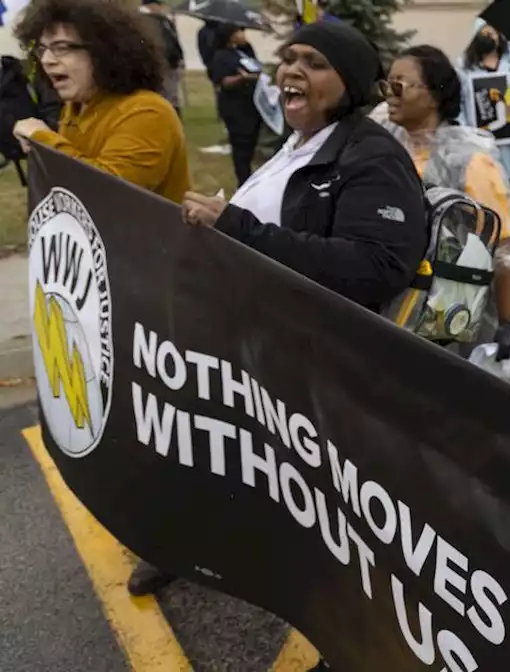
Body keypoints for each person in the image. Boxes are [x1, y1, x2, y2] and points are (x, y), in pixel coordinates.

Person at [160, 23, 422, 598]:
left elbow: (376, 265)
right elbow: (281, 222)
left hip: (324, 368)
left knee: (327, 510)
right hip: (259, 346)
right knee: (228, 462)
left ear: (349, 82)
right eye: (290, 58)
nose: (292, 71)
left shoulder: (372, 156)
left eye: (316, 62)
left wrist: (237, 228)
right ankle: (188, 546)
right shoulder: (301, 139)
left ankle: (344, 625)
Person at [368, 44, 510, 359]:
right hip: (390, 303)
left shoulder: (469, 161)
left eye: (399, 85)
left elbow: (503, 246)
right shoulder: (384, 150)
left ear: (434, 94)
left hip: (443, 318)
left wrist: (508, 322)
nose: (389, 95)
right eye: (387, 85)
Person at [13, 0, 190, 204]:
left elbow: (107, 192)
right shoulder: (76, 107)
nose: (47, 60)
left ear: (104, 52)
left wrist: (43, 139)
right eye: (42, 49)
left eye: (62, 48)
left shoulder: (147, 112)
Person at [458, 19, 510, 194]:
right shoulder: (463, 67)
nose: (489, 37)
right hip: (479, 143)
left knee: (509, 191)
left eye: (493, 32)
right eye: (484, 33)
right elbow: (457, 103)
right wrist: (466, 131)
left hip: (509, 140)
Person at [208, 23, 264, 186]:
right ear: (229, 35)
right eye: (239, 31)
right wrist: (242, 79)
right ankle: (244, 182)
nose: (243, 34)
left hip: (252, 106)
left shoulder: (244, 50)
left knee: (252, 144)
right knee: (241, 150)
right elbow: (223, 82)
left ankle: (253, 179)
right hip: (235, 109)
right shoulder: (221, 56)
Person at [139, 0, 183, 116]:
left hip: (172, 64)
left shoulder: (164, 21)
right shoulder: (145, 20)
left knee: (172, 96)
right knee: (165, 96)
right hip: (162, 64)